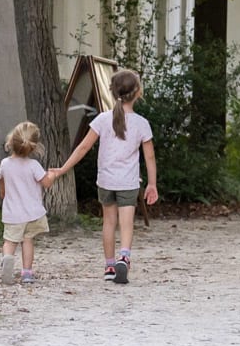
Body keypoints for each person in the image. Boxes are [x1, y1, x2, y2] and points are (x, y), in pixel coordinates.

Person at [49, 68, 159, 284]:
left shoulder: (102, 119)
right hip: (128, 182)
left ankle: (109, 266)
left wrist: (63, 169)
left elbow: (82, 148)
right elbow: (150, 156)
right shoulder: (141, 123)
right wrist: (152, 184)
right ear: (138, 92)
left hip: (106, 181)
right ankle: (124, 258)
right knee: (126, 224)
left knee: (109, 222)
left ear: (113, 91)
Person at [0, 120, 56, 285]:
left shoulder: (5, 164)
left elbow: (0, 179)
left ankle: (7, 260)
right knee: (28, 240)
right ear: (34, 147)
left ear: (11, 142)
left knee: (10, 241)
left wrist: (3, 191)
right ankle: (27, 273)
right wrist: (52, 174)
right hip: (31, 213)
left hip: (12, 213)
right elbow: (46, 183)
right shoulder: (33, 165)